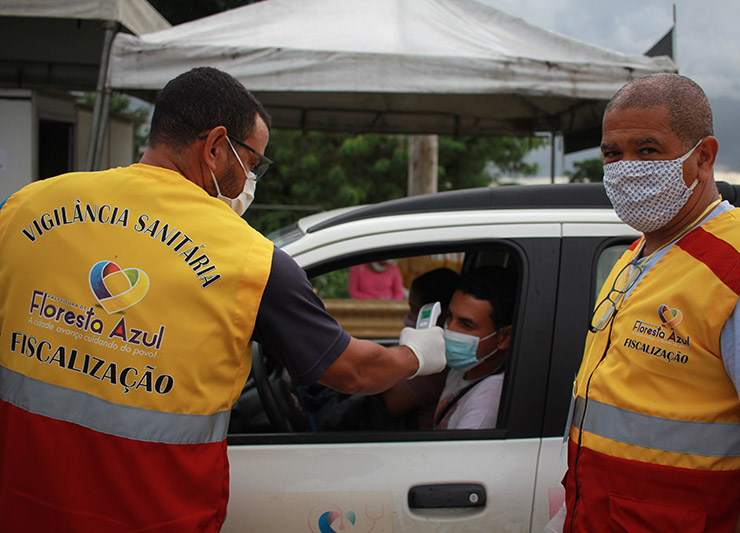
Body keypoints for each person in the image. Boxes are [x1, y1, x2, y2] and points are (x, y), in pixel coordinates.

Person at [0, 67, 445, 532]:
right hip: (157, 518)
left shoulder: (25, 208)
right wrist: (417, 355)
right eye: (253, 163)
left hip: (20, 509)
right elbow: (355, 370)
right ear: (215, 147)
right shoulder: (249, 259)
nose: (251, 179)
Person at [563, 73, 740, 532]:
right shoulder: (638, 255)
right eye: (613, 154)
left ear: (704, 157)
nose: (626, 168)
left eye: (647, 150)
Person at [433, 265, 515, 430]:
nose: (449, 330)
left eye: (466, 325)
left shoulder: (486, 403)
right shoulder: (463, 369)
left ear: (504, 337)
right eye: (450, 317)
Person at [383, 267, 459, 429]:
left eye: (413, 310)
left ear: (440, 315)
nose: (408, 317)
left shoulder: (433, 361)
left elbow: (390, 404)